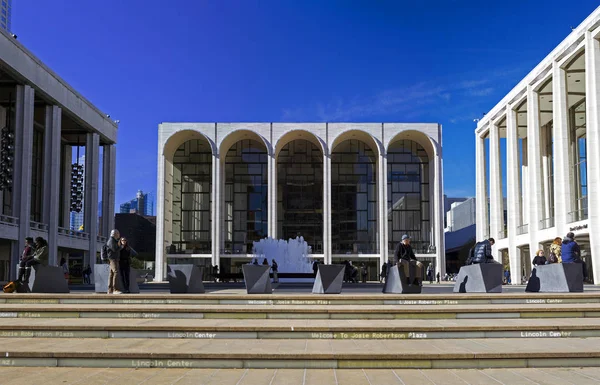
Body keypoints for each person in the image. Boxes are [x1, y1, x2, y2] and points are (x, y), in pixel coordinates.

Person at [106, 229, 123, 294]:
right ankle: (114, 289)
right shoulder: (111, 241)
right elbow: (114, 249)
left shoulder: (114, 240)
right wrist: (120, 246)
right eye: (118, 233)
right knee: (116, 272)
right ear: (114, 234)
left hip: (113, 259)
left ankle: (110, 290)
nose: (119, 235)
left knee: (111, 274)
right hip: (113, 259)